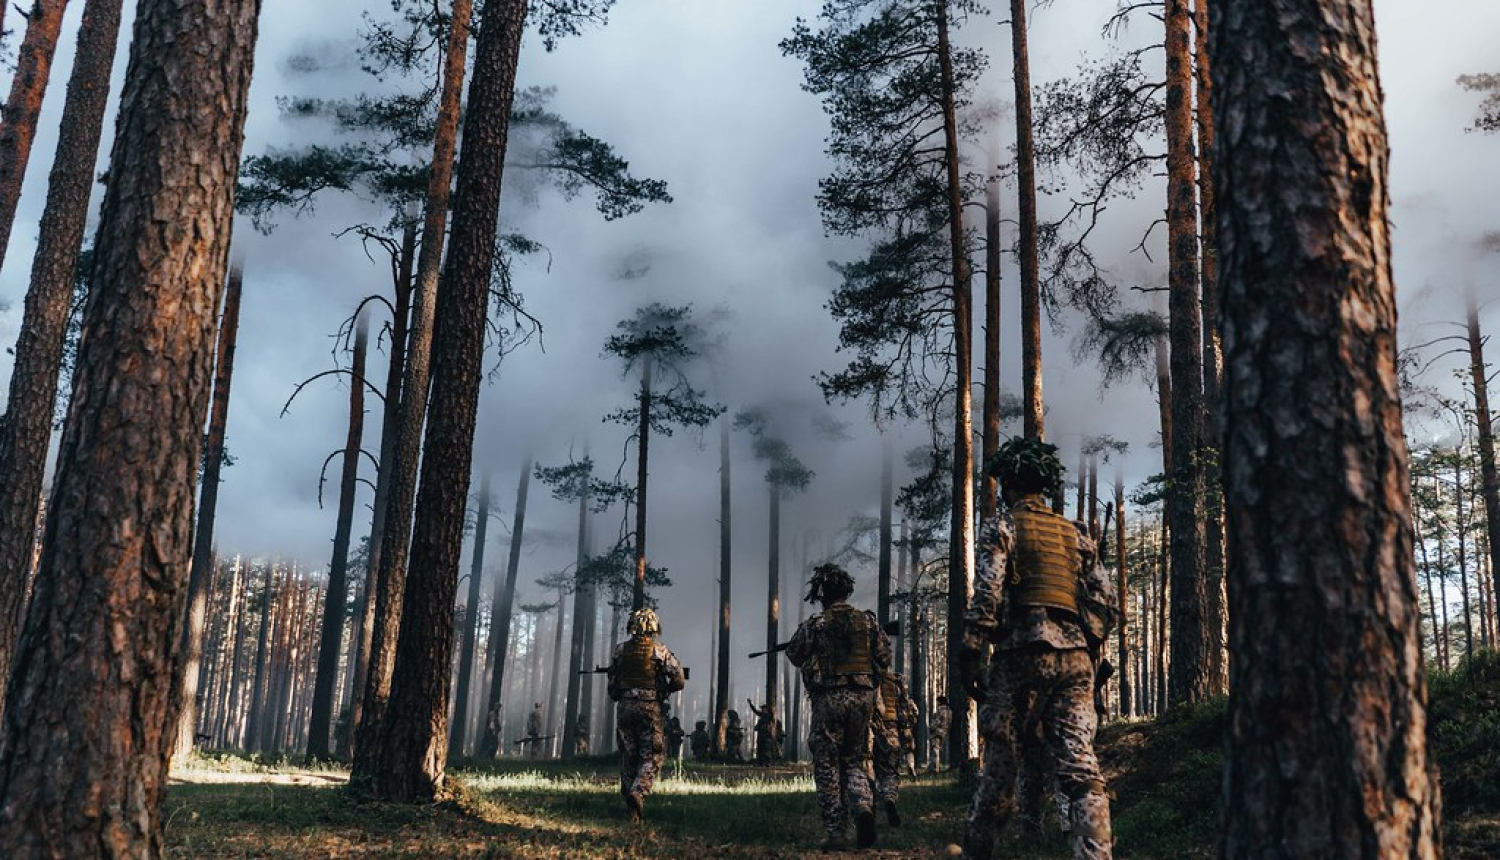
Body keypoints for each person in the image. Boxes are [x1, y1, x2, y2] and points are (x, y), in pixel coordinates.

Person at [959, 437, 1119, 860]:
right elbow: (1106, 604)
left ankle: (977, 851)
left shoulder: (1002, 526)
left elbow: (989, 590)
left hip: (1020, 655)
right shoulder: (1079, 534)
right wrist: (1086, 644)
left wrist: (972, 648)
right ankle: (1095, 854)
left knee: (1001, 762)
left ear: (1009, 483)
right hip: (1076, 660)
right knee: (1080, 764)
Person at [787, 562, 891, 851]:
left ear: (822, 595)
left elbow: (795, 655)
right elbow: (884, 658)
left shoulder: (816, 625)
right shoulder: (868, 622)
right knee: (856, 759)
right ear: (846, 591)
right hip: (863, 697)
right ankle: (863, 808)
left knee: (827, 764)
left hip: (829, 699)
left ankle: (836, 833)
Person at [608, 607, 686, 822]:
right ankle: (639, 791)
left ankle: (630, 808)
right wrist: (663, 691)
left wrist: (623, 695)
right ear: (653, 627)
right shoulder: (660, 651)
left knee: (628, 754)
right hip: (649, 708)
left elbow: (612, 684)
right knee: (652, 753)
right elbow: (678, 679)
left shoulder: (620, 650)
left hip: (625, 707)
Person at [872, 670, 917, 826]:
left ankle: (870, 804)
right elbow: (906, 712)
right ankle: (889, 797)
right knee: (890, 771)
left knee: (869, 769)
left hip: (870, 731)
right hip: (892, 731)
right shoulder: (897, 681)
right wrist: (906, 735)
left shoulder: (866, 678)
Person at [747, 698, 783, 765]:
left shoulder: (770, 716)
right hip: (761, 736)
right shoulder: (762, 717)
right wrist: (750, 704)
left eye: (764, 708)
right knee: (760, 749)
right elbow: (755, 711)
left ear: (767, 709)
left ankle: (768, 762)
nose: (763, 710)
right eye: (762, 709)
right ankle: (761, 762)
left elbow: (773, 716)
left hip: (767, 736)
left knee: (767, 749)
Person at [928, 695, 952, 772]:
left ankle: (935, 768)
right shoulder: (949, 710)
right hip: (944, 731)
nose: (937, 703)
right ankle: (936, 766)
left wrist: (931, 727)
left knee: (935, 749)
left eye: (938, 701)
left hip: (937, 732)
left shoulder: (940, 710)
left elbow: (937, 721)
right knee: (938, 749)